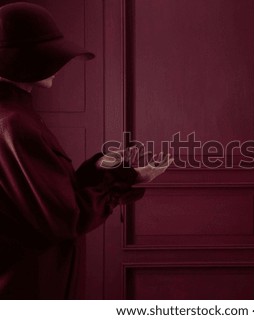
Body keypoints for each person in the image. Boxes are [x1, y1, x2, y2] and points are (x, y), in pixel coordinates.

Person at [0, 2, 167, 298]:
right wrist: (123, 182)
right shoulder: (14, 123)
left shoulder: (14, 115)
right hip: (32, 285)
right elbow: (65, 218)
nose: (60, 66)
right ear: (23, 61)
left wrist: (101, 169)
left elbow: (47, 198)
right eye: (50, 57)